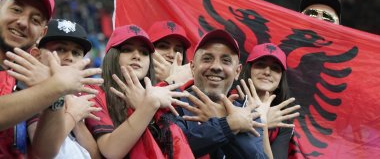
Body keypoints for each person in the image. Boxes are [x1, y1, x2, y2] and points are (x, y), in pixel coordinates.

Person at [0, 0, 103, 158]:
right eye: (16, 10)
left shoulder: (29, 80)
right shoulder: (46, 86)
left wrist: (57, 96)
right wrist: (55, 87)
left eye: (35, 20)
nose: (23, 22)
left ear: (42, 33)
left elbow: (44, 153)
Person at [85, 25, 193, 158]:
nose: (137, 56)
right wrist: (150, 104)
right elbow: (111, 150)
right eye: (127, 49)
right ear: (112, 56)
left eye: (144, 52)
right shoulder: (94, 92)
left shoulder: (165, 96)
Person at [174, 29, 267, 158]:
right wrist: (228, 125)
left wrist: (225, 122)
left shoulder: (249, 113)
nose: (216, 67)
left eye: (226, 61)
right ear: (193, 67)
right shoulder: (174, 103)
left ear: (237, 71)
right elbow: (173, 149)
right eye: (207, 59)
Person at [24, 19, 101, 158]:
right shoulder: (29, 91)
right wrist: (73, 114)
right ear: (36, 54)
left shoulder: (79, 99)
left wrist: (77, 122)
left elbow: (95, 156)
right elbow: (41, 153)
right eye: (60, 49)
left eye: (76, 53)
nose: (70, 57)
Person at [239, 43, 301, 159]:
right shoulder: (231, 102)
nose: (267, 72)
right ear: (249, 70)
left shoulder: (283, 121)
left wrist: (262, 124)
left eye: (275, 68)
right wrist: (262, 122)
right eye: (260, 65)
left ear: (281, 79)